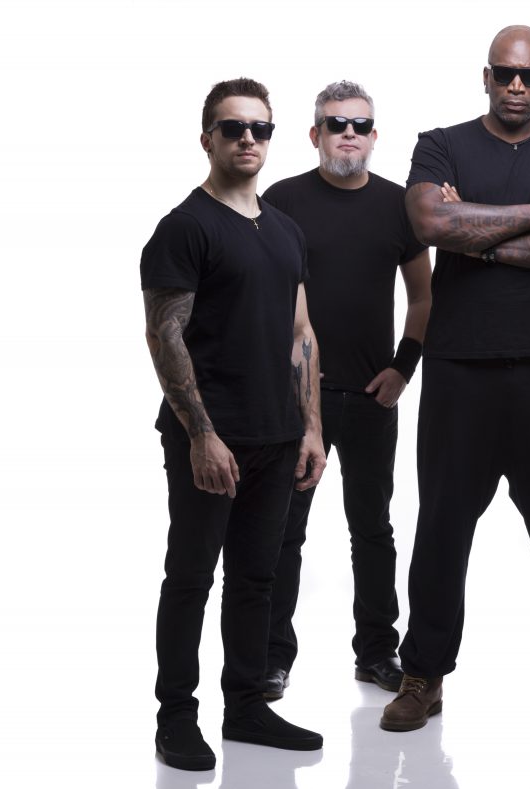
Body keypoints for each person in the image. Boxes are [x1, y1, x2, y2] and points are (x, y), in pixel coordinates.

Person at [380, 25, 530, 735]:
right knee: (441, 525)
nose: (517, 86)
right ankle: (422, 674)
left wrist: (477, 234)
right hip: (460, 367)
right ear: (485, 76)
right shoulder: (441, 144)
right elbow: (430, 221)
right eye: (505, 74)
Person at [141, 77, 327, 771]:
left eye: (260, 128)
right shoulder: (185, 227)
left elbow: (301, 332)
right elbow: (165, 334)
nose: (248, 138)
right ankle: (175, 718)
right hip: (211, 437)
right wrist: (200, 433)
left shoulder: (284, 230)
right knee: (191, 576)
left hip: (278, 435)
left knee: (256, 577)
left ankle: (246, 706)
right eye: (233, 127)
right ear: (207, 138)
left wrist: (311, 427)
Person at [261, 80, 431, 696]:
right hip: (295, 400)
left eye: (360, 125)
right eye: (336, 124)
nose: (349, 134)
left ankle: (377, 652)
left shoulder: (396, 205)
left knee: (373, 530)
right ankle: (271, 657)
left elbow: (423, 296)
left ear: (375, 135)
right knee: (283, 530)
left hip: (370, 399)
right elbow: (263, 296)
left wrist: (403, 367)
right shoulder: (282, 201)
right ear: (316, 134)